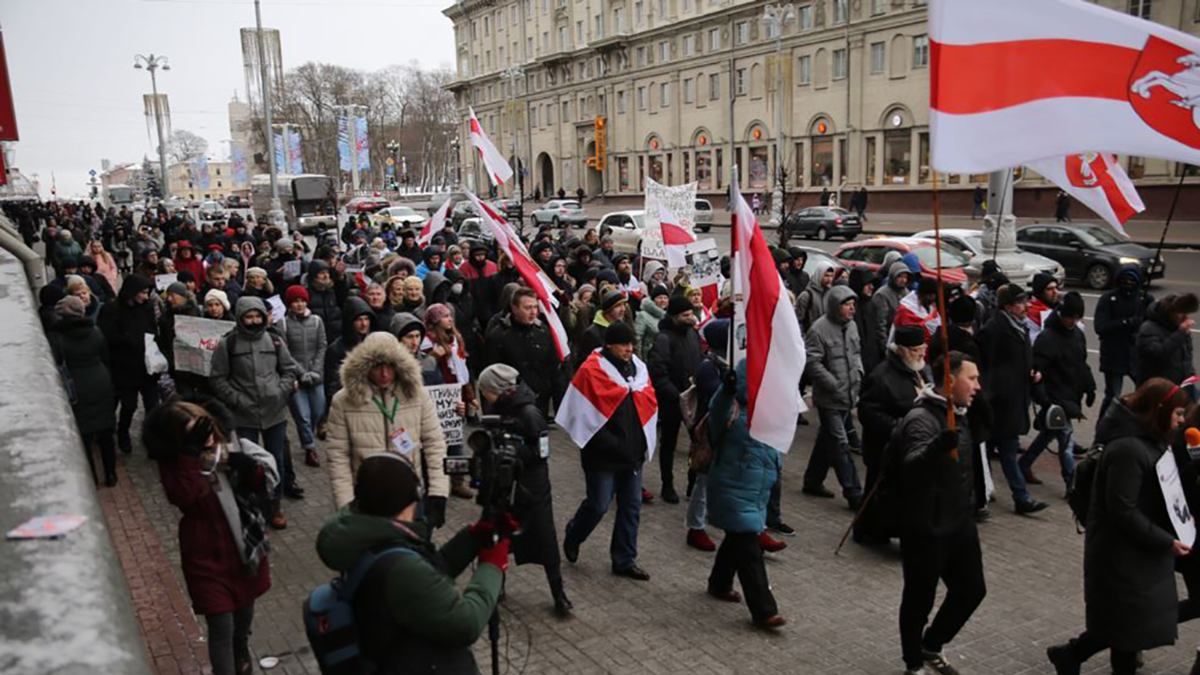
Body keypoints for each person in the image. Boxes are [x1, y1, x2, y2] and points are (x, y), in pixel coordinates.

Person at [1047, 378, 1194, 675]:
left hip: (1136, 552)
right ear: (1160, 410)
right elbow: (1122, 510)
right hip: (1120, 555)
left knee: (1127, 625)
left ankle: (1070, 655)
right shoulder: (1127, 450)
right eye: (1178, 414)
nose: (1181, 422)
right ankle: (1071, 655)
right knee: (1126, 629)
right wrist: (1165, 541)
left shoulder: (1150, 442)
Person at [315, 454, 508, 672]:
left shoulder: (366, 538)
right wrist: (491, 567)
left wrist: (471, 538)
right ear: (407, 502)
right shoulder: (399, 567)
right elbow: (466, 623)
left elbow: (430, 573)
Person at [143, 399, 277, 675]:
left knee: (243, 619)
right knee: (221, 627)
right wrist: (190, 458)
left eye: (204, 428)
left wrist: (249, 468)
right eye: (194, 433)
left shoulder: (227, 449)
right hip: (206, 555)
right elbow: (185, 497)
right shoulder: (177, 465)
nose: (205, 438)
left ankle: (242, 649)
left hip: (243, 547)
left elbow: (261, 486)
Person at [893, 351, 986, 675]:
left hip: (958, 521)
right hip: (926, 526)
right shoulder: (922, 419)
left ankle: (931, 644)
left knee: (972, 589)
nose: (977, 386)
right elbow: (912, 464)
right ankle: (913, 663)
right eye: (971, 378)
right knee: (919, 598)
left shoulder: (959, 412)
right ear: (949, 380)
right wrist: (937, 447)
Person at [324, 332, 450, 529]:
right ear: (364, 367)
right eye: (376, 366)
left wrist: (438, 492)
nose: (384, 374)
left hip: (409, 500)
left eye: (390, 366)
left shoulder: (418, 396)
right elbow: (338, 456)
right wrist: (345, 505)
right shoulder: (343, 401)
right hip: (368, 503)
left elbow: (435, 444)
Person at [560, 322, 654, 581]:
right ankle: (574, 534)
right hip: (602, 454)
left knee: (631, 506)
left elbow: (646, 401)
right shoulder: (591, 371)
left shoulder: (639, 369)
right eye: (624, 344)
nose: (629, 349)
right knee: (599, 504)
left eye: (631, 344)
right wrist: (611, 443)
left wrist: (643, 441)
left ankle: (625, 559)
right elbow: (583, 414)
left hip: (632, 453)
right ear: (609, 345)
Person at [477, 363, 573, 616]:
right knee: (496, 537)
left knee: (545, 540)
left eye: (485, 390)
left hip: (531, 487)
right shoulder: (496, 409)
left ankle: (558, 593)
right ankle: (496, 587)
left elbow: (541, 453)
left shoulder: (530, 413)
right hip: (503, 484)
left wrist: (513, 450)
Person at [705, 359, 787, 630]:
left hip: (755, 491)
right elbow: (715, 416)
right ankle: (764, 610)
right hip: (732, 487)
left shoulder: (768, 413)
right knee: (749, 549)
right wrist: (725, 391)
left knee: (738, 538)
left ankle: (719, 583)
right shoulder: (732, 407)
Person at [210, 297, 303, 530]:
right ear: (241, 318)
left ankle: (275, 504)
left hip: (275, 413)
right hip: (244, 414)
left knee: (276, 460)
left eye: (257, 316)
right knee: (249, 463)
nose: (253, 321)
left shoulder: (274, 340)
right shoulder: (228, 344)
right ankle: (250, 505)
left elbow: (289, 370)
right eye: (248, 317)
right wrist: (237, 400)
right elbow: (218, 378)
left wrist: (280, 393)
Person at [977, 284, 1048, 515]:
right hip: (999, 403)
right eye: (1020, 302)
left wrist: (1032, 371)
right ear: (1007, 306)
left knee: (1000, 450)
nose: (1025, 306)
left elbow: (1024, 358)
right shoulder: (994, 329)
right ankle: (1018, 497)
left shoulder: (1020, 327)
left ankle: (994, 492)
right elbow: (986, 366)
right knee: (1001, 451)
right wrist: (990, 394)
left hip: (1015, 399)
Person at [854, 325, 930, 544]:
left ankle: (886, 530)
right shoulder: (882, 376)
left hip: (907, 445)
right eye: (916, 350)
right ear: (903, 350)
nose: (921, 354)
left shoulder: (916, 369)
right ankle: (866, 530)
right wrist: (900, 426)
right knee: (877, 492)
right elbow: (868, 412)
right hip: (884, 446)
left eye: (922, 348)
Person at [801, 285, 864, 509]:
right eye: (847, 305)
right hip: (829, 398)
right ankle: (854, 492)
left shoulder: (852, 326)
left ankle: (813, 481)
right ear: (836, 306)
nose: (852, 309)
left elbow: (856, 354)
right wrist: (833, 383)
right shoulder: (818, 330)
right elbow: (812, 362)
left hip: (849, 394)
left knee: (827, 439)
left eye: (853, 305)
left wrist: (858, 375)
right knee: (840, 444)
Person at [1024, 292, 1094, 491]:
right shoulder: (1047, 338)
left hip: (1069, 393)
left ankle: (1024, 464)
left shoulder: (1077, 335)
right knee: (1066, 440)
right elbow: (1037, 372)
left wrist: (1090, 387)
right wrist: (1045, 401)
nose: (1073, 321)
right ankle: (1071, 482)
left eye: (1076, 317)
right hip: (1055, 397)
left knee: (1049, 434)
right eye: (1070, 317)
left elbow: (1081, 364)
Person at [51, 295, 118, 487]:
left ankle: (91, 477)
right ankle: (111, 473)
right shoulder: (95, 331)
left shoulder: (58, 337)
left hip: (77, 385)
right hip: (100, 380)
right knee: (106, 433)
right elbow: (105, 355)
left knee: (84, 436)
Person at [97, 274, 160, 455]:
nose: (146, 297)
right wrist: (129, 340)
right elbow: (106, 336)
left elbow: (152, 329)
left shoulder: (146, 307)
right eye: (143, 293)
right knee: (129, 405)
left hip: (147, 366)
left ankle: (152, 439)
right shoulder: (112, 309)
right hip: (124, 368)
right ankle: (123, 432)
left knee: (152, 406)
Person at [648, 295, 702, 504]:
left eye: (691, 314)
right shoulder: (664, 338)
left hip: (692, 399)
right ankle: (667, 484)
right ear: (674, 316)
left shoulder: (692, 335)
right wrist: (675, 394)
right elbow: (658, 372)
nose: (690, 318)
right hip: (672, 400)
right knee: (668, 443)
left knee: (698, 443)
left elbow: (699, 359)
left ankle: (692, 483)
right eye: (685, 315)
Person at [485, 288, 565, 416]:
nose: (533, 312)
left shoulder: (543, 332)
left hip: (540, 403)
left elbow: (554, 370)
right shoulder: (498, 336)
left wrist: (560, 405)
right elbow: (491, 377)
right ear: (514, 308)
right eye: (527, 308)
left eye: (535, 307)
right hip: (511, 407)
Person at [1094, 267, 1152, 420]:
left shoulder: (1144, 299)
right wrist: (1126, 322)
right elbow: (1100, 327)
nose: (1128, 283)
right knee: (1113, 397)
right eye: (1125, 280)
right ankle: (1102, 430)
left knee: (1145, 394)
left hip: (1136, 356)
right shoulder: (1108, 299)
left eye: (1132, 280)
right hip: (1114, 355)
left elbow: (1153, 323)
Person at [282, 285, 327, 468]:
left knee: (317, 411)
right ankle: (309, 447)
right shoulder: (283, 324)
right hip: (296, 378)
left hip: (316, 376)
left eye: (302, 300)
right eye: (295, 301)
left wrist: (315, 370)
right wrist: (301, 373)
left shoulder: (316, 321)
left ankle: (309, 436)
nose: (299, 305)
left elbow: (322, 346)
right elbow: (285, 353)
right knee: (303, 415)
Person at [1134, 292, 1198, 387]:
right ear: (1169, 312)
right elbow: (1158, 354)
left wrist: (1190, 375)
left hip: (1183, 385)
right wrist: (1180, 334)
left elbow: (1187, 354)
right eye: (1180, 313)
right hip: (1159, 388)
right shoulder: (1148, 328)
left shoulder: (1179, 328)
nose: (1185, 317)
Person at [795, 261, 836, 333]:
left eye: (831, 276)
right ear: (819, 275)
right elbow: (798, 320)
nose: (829, 279)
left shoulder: (831, 295)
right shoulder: (807, 296)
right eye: (826, 275)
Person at [636, 284, 669, 359]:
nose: (663, 300)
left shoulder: (668, 316)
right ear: (653, 300)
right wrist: (639, 359)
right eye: (659, 298)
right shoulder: (643, 315)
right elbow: (637, 339)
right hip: (649, 357)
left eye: (665, 298)